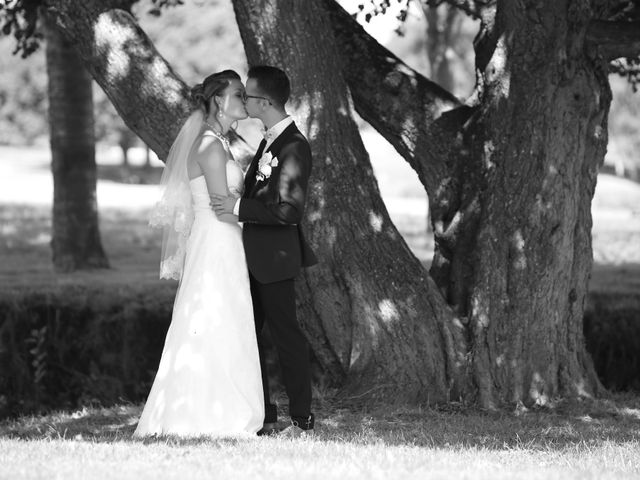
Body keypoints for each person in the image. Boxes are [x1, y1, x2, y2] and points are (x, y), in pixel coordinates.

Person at [133, 70, 264, 438]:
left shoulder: (217, 141)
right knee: (214, 317)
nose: (244, 101)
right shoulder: (208, 144)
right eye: (238, 94)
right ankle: (203, 414)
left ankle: (225, 407)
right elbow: (224, 206)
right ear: (219, 100)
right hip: (217, 240)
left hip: (225, 240)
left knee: (226, 318)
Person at [210, 65, 317, 436]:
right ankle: (264, 416)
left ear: (265, 101)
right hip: (250, 259)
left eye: (248, 96)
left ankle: (302, 422)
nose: (244, 100)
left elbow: (290, 210)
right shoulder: (269, 141)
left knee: (287, 339)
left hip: (274, 261)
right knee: (248, 340)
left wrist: (237, 209)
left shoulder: (294, 145)